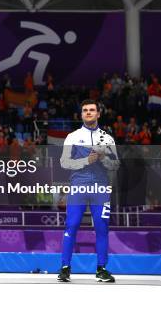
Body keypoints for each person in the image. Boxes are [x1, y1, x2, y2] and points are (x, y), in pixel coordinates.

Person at [57, 99, 119, 283]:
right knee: (72, 225)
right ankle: (65, 268)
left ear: (98, 113)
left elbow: (115, 164)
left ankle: (101, 269)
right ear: (81, 114)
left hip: (100, 188)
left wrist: (102, 158)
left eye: (92, 110)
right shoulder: (73, 137)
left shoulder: (108, 139)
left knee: (102, 228)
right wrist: (87, 161)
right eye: (85, 110)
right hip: (78, 186)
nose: (89, 113)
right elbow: (64, 162)